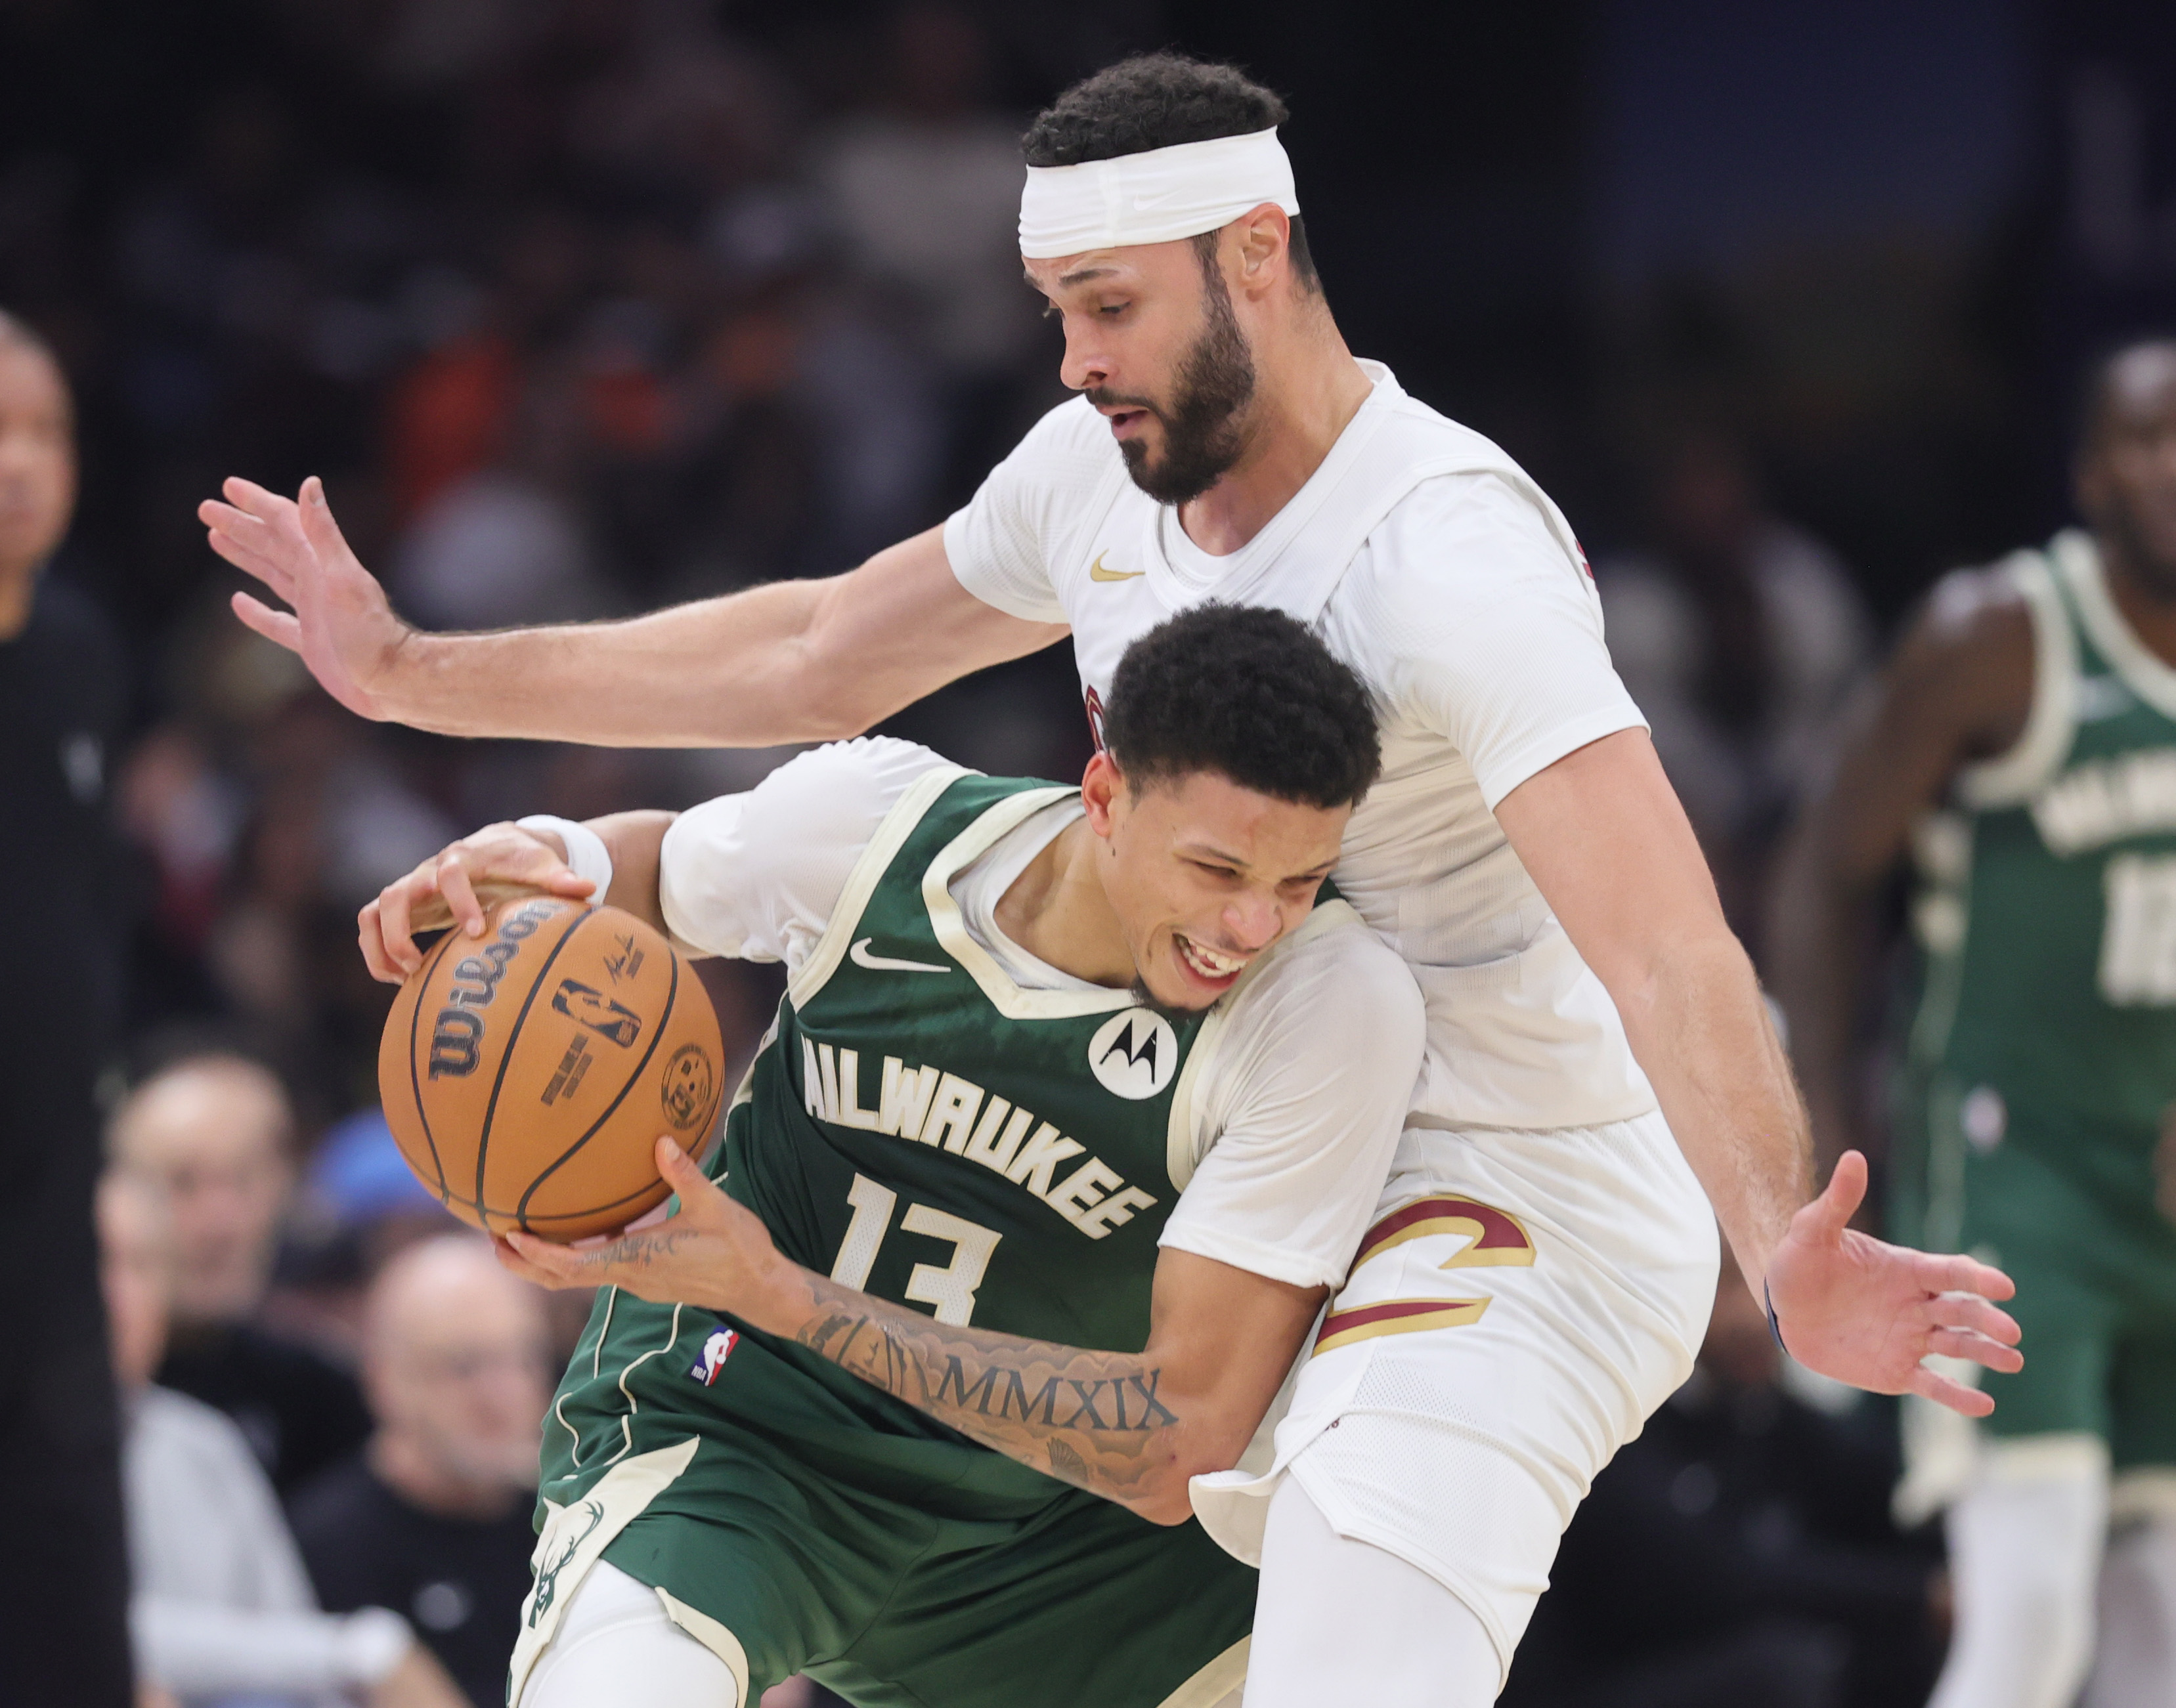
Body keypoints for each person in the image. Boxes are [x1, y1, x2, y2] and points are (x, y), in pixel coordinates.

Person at [203, 54, 2021, 1705]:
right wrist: (416, 674)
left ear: (1254, 256)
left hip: (1494, 1176)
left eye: (1107, 304)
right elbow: (820, 653)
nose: (1073, 357)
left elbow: (1666, 942)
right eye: (1056, 311)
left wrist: (1777, 1244)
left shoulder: (1452, 563)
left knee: (1353, 1652)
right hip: (1212, 1151)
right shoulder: (1102, 472)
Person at [362, 605, 1424, 1708]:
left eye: (1298, 882)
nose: (1251, 925)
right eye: (1216, 867)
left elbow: (1175, 1441)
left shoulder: (1328, 1007)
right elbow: (659, 874)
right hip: (741, 1431)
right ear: (1104, 796)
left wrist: (787, 1294)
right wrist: (548, 858)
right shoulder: (871, 828)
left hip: (1068, 1545)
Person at [1770, 337, 2176, 1708]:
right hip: (2010, 1176)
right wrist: (1821, 1120)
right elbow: (1824, 867)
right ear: (2088, 473)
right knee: (2028, 1618)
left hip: (2156, 1180)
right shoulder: (1993, 638)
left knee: (2158, 1635)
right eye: (2146, 436)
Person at [1501, 1242, 1944, 1708]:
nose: (1752, 1317)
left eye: (1769, 1290)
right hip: (1601, 1676)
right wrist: (1918, 1595)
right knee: (1786, 1670)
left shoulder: (1767, 1414)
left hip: (1716, 1655)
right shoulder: (1621, 1432)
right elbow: (1727, 1575)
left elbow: (1874, 1482)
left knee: (1888, 1648)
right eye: (1728, 1285)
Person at [101, 1168, 468, 1708]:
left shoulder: (206, 1444)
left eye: (142, 1266)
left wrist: (345, 1654)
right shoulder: (23, 1459)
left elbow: (295, 1641)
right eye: (97, 1262)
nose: (115, 1294)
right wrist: (362, 1651)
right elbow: (71, 1625)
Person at [0, 305, 133, 1708]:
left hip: (51, 1264)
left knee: (76, 1637)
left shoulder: (81, 653)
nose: (23, 462)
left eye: (47, 429)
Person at [292, 1236, 555, 1708]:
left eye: (522, 1360)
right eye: (465, 1366)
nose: (501, 1395)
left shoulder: (572, 1524)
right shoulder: (326, 1547)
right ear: (385, 1379)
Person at [110, 1052, 374, 1492]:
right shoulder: (62, 1405)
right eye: (183, 1182)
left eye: (244, 1179)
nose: (221, 1222)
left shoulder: (324, 1397)